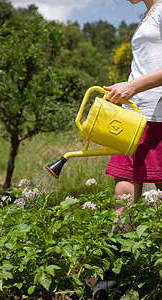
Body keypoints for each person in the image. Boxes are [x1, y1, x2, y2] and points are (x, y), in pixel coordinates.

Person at [103, 0, 162, 233]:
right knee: (123, 192)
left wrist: (133, 87)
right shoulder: (147, 15)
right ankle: (118, 259)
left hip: (158, 115)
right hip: (134, 116)